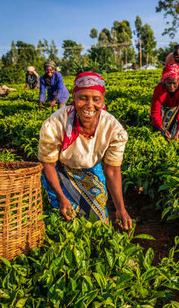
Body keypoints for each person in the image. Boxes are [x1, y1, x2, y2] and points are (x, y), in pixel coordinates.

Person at [38, 71, 132, 230]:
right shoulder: (55, 123)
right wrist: (61, 197)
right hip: (60, 169)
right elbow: (48, 164)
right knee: (66, 218)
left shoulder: (113, 129)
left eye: (96, 99)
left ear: (102, 102)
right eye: (83, 98)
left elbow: (112, 170)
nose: (90, 105)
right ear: (74, 98)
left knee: (99, 219)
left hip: (90, 167)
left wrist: (120, 209)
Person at [151, 63, 179, 141]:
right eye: (169, 83)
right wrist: (161, 129)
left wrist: (178, 131)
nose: (171, 86)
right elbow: (155, 111)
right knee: (164, 129)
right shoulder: (159, 89)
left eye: (174, 83)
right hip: (167, 104)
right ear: (164, 81)